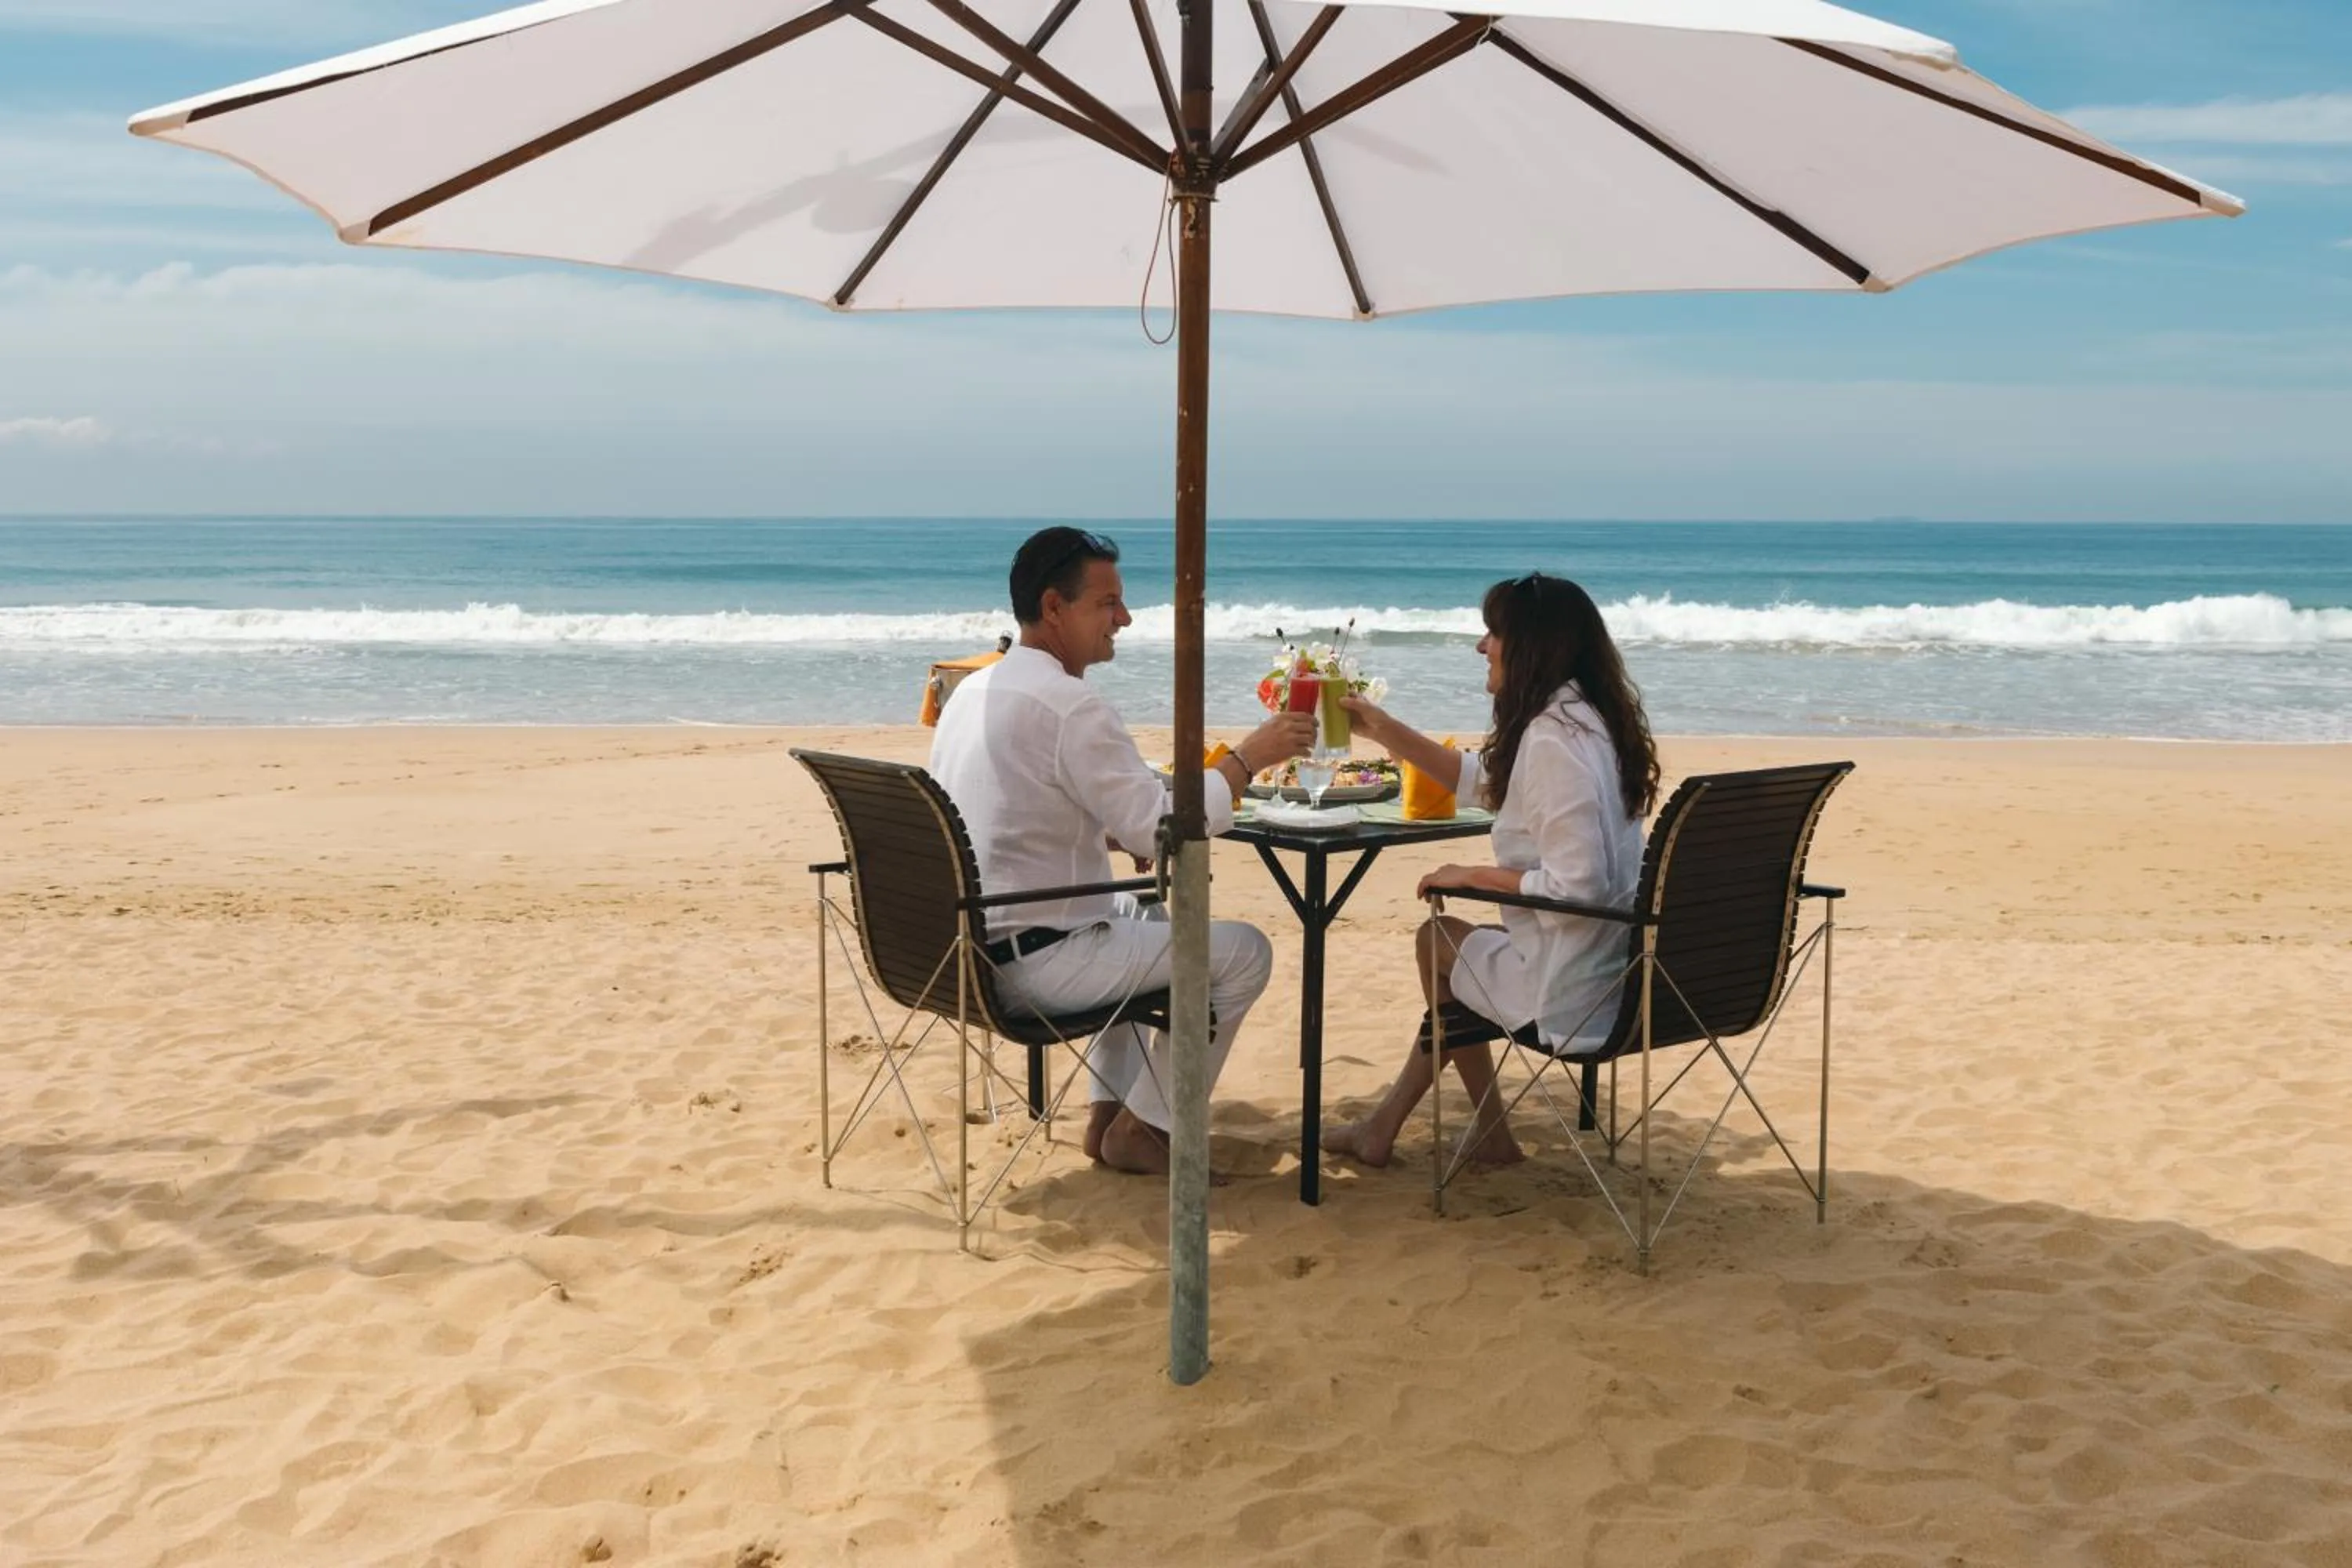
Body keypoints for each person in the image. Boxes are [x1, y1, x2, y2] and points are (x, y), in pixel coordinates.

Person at [928, 527, 1316, 1175]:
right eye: (1108, 603)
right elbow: (1157, 829)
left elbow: (1009, 804)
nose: (1125, 619)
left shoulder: (973, 691)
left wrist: (1112, 827)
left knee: (1149, 920)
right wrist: (1251, 758)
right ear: (1054, 608)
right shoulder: (1072, 705)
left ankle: (1111, 1117)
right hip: (1033, 963)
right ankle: (1151, 1128)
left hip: (969, 951)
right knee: (1245, 953)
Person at [1327, 572, 1661, 1169]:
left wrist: (1472, 876)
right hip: (1628, 969)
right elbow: (1487, 782)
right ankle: (1411, 1128)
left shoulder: (1552, 740)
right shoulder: (1590, 722)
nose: (1483, 646)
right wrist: (1379, 727)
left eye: (1493, 633)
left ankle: (1483, 1130)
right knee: (1452, 946)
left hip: (1574, 989)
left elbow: (1577, 883)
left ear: (1530, 645)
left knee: (1438, 941)